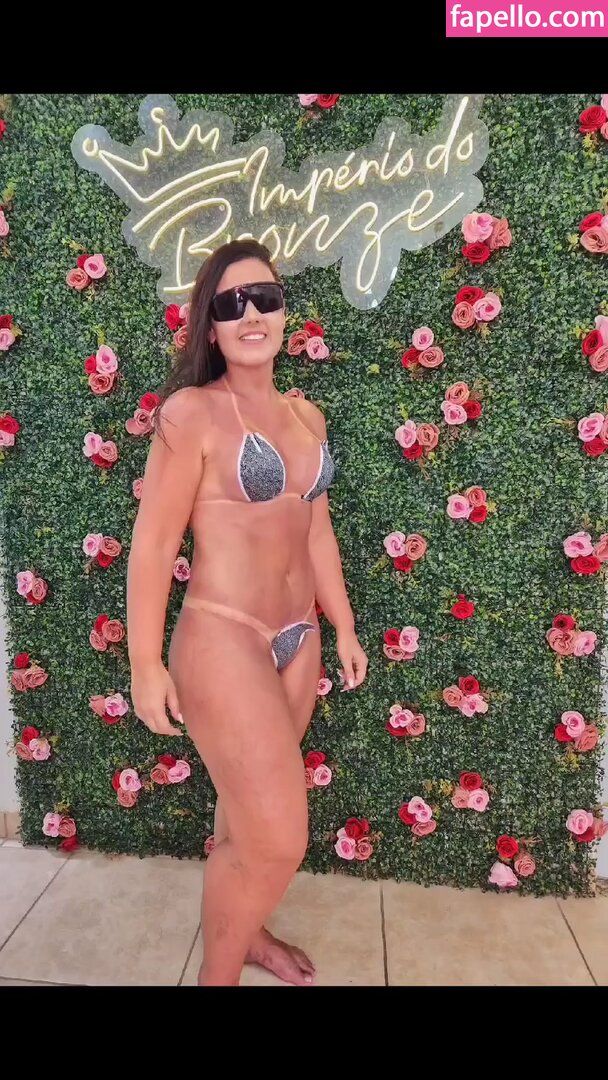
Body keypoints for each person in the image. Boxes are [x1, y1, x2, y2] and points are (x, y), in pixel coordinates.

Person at [126, 239, 368, 987]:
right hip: (223, 634)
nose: (252, 314)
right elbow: (153, 543)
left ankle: (247, 931)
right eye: (233, 304)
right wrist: (144, 663)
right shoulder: (191, 414)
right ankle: (218, 977)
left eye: (265, 297)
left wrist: (343, 624)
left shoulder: (306, 415)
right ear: (211, 324)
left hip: (299, 637)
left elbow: (316, 531)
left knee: (244, 816)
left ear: (283, 312)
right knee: (277, 840)